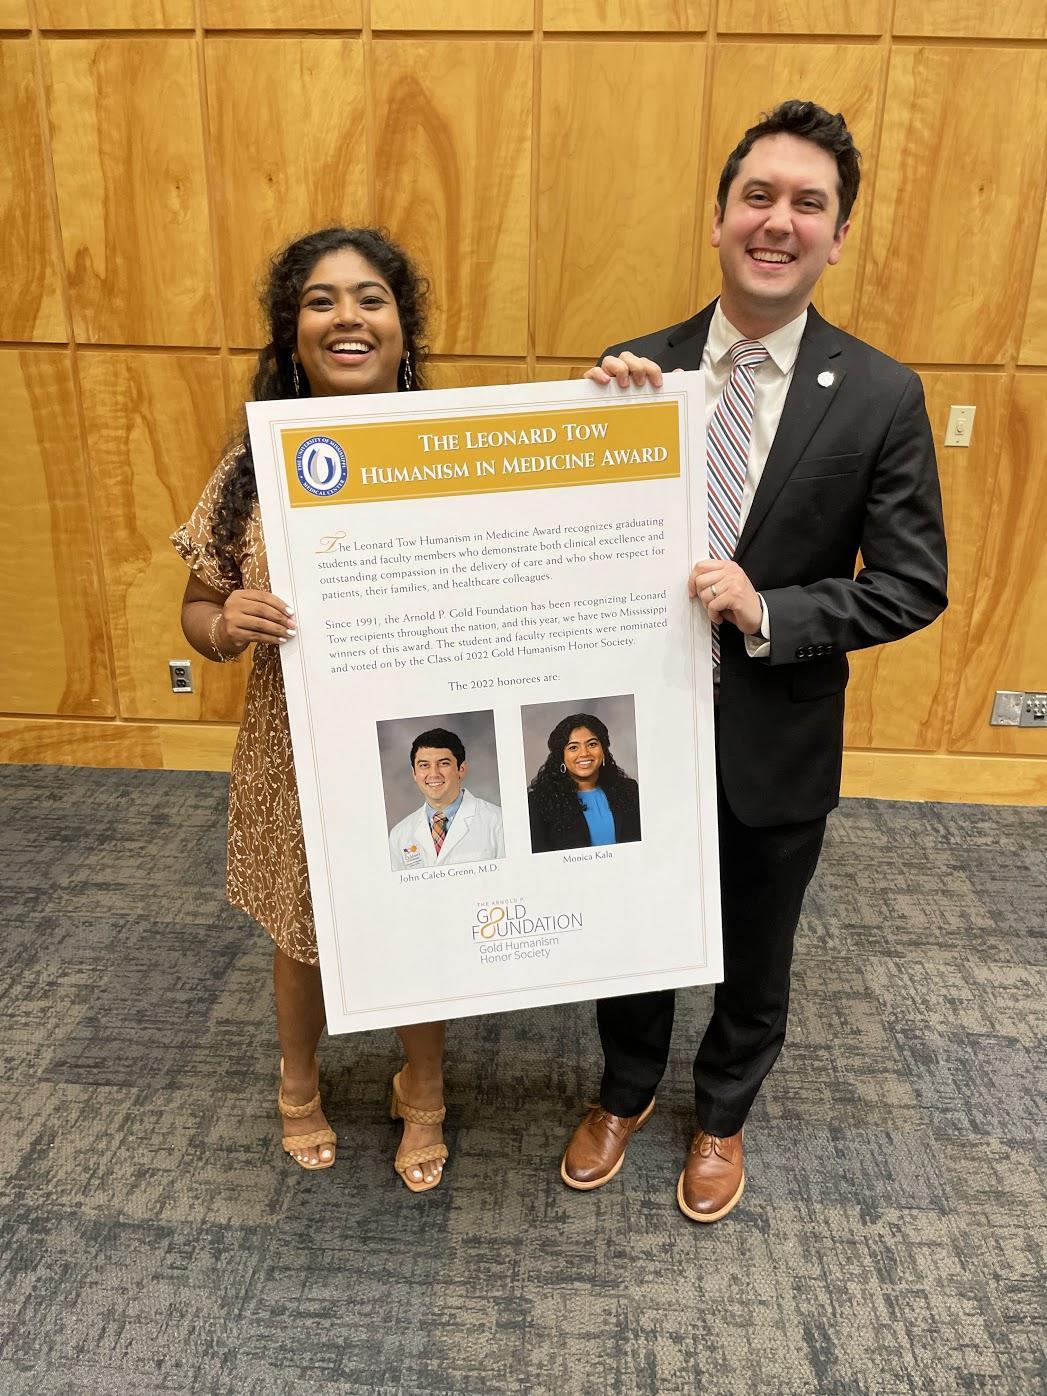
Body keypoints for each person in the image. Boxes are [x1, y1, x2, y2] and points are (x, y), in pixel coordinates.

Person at [560, 101, 948, 1221]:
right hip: (629, 729)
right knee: (626, 930)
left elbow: (911, 583)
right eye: (759, 198)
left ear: (837, 236)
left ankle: (722, 1112)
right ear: (720, 218)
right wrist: (590, 440)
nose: (779, 222)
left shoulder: (880, 394)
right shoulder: (634, 375)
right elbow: (570, 554)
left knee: (757, 947)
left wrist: (769, 606)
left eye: (808, 205)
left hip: (777, 731)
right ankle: (625, 1090)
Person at [172, 226, 449, 1192]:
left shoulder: (458, 450)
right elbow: (197, 608)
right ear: (292, 333)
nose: (347, 317)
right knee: (300, 927)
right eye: (321, 300)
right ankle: (298, 1083)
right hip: (294, 741)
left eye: (371, 298)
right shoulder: (251, 458)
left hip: (422, 735)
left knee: (421, 906)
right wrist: (226, 624)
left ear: (402, 328)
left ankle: (424, 1085)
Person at [388, 727, 505, 870]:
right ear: (414, 773)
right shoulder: (399, 834)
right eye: (424, 765)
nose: (434, 774)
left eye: (443, 763)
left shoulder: (498, 822)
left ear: (461, 769)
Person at [527, 712, 641, 853]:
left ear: (603, 750)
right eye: (573, 747)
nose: (584, 753)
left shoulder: (629, 790)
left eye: (592, 744)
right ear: (561, 757)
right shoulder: (538, 803)